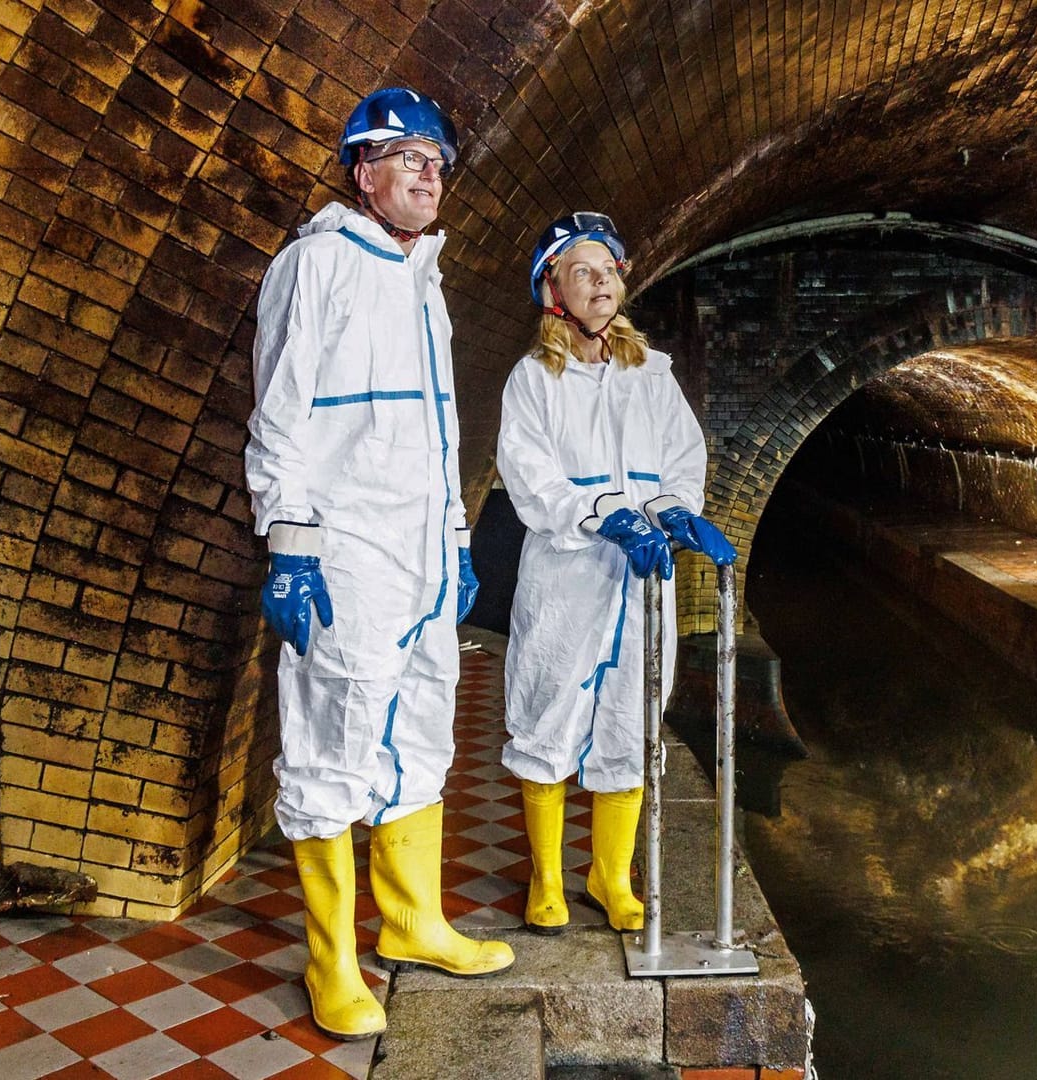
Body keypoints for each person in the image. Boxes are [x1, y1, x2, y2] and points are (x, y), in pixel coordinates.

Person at [244, 86, 513, 1042]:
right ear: (363, 171)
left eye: (438, 159)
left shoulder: (422, 278)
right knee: (334, 734)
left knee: (422, 725)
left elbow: (439, 433)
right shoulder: (316, 266)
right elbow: (281, 415)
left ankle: (411, 920)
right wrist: (290, 545)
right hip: (345, 547)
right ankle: (330, 960)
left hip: (420, 555)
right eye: (408, 156)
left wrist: (454, 540)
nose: (430, 172)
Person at [495, 213, 740, 935]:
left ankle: (609, 875)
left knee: (632, 718)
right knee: (546, 715)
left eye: (608, 268)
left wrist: (672, 512)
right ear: (553, 290)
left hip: (644, 577)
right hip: (568, 574)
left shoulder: (650, 375)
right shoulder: (534, 380)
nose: (601, 282)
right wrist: (606, 513)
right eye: (583, 271)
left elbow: (677, 462)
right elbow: (530, 477)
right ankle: (545, 878)